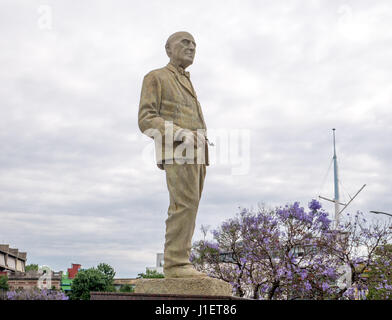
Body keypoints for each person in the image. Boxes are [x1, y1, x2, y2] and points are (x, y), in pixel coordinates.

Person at [138, 31, 209, 278]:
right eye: (185, 42)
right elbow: (146, 119)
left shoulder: (188, 81)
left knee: (190, 207)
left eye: (194, 44)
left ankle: (182, 261)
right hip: (178, 150)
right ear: (168, 49)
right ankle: (176, 265)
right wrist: (179, 132)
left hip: (198, 154)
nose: (192, 47)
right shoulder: (156, 77)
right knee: (183, 205)